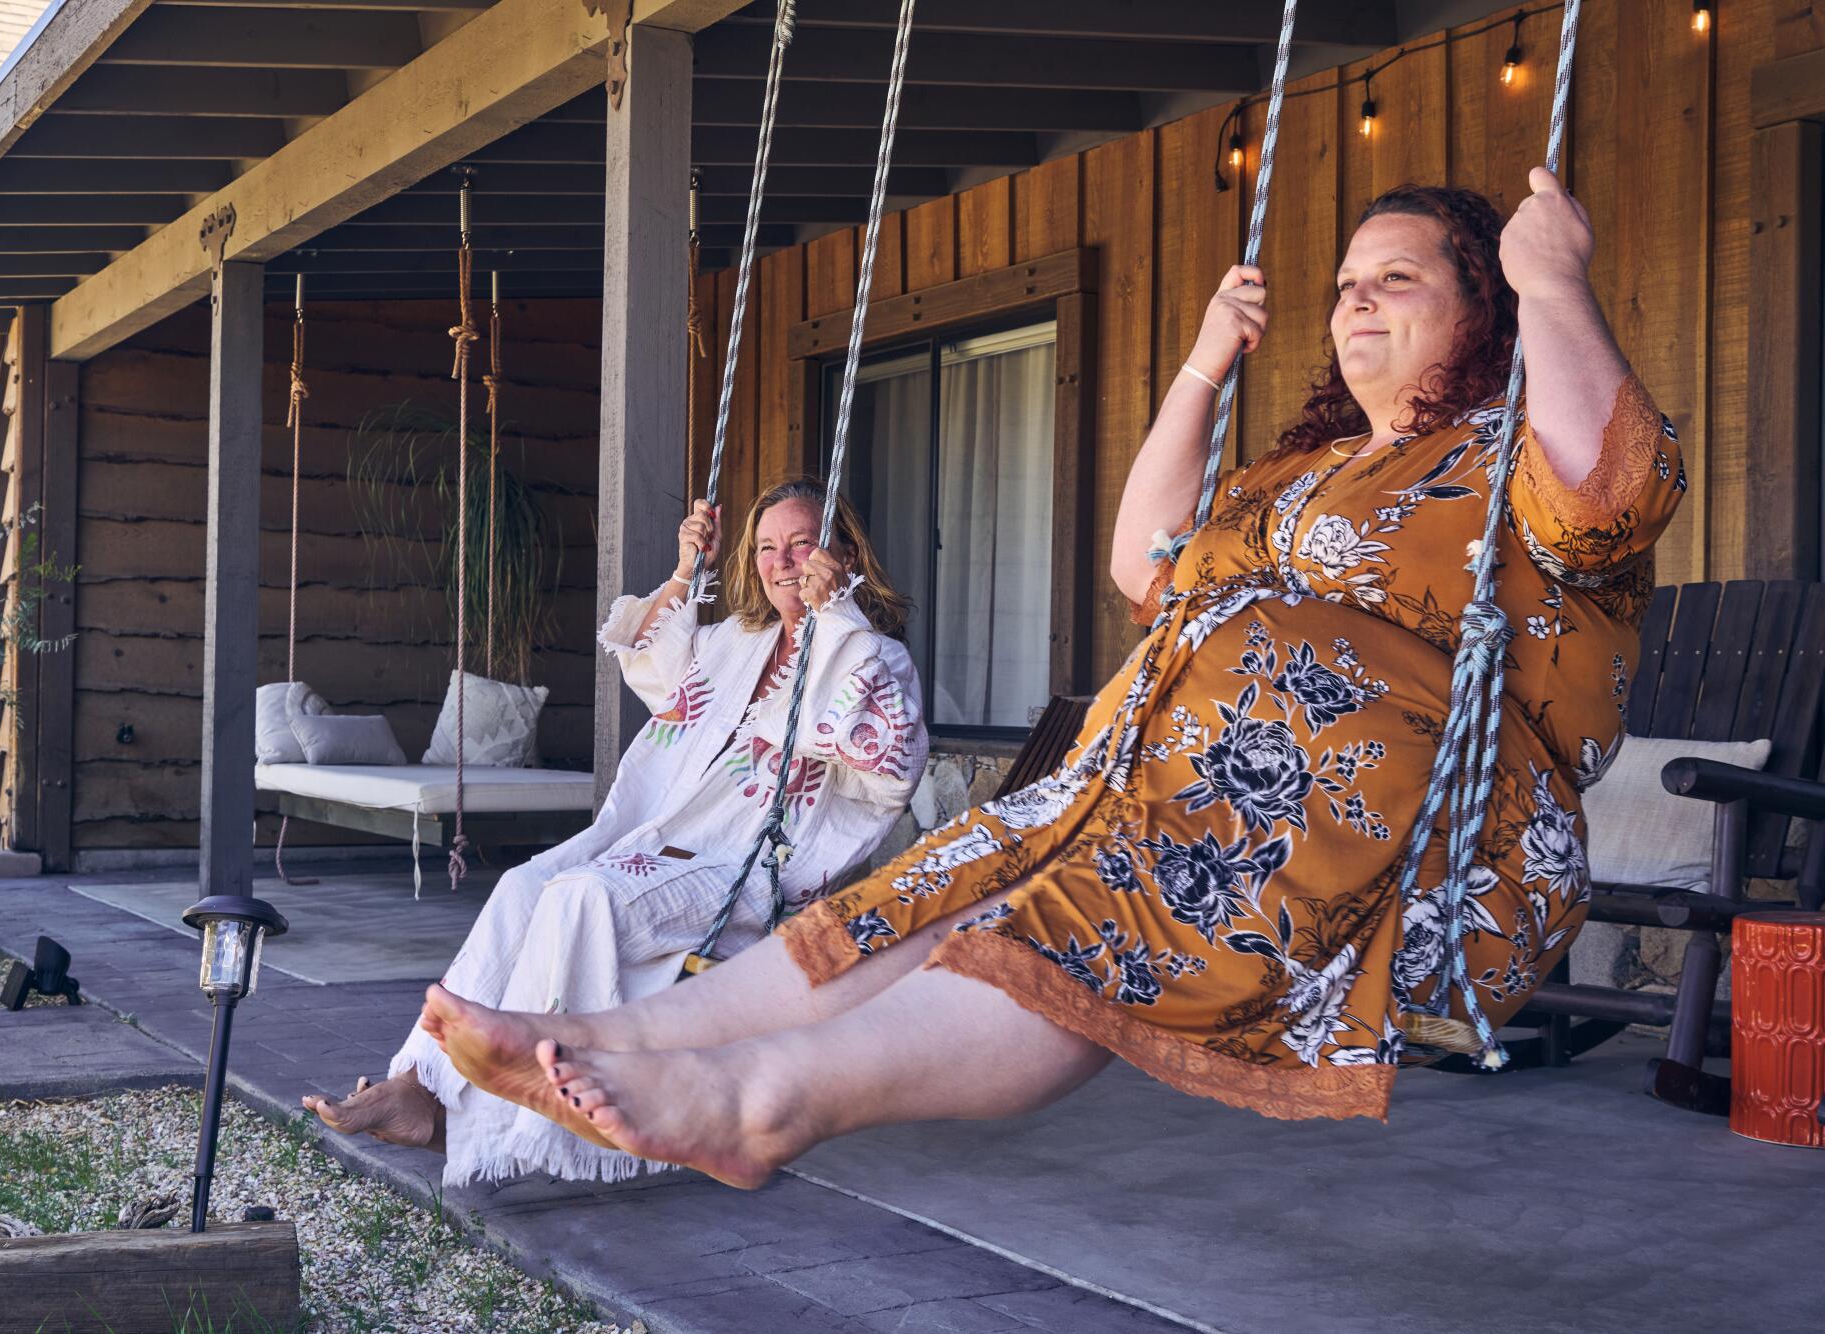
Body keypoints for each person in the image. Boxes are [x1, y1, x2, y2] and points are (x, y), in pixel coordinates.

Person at [411, 169, 1684, 1190]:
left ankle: (758, 1101)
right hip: (1155, 784)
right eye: (1344, 283)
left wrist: (1551, 279)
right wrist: (1197, 370)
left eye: (1394, 279)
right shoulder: (1297, 476)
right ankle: (613, 1036)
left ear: (1486, 309)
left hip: (1393, 827)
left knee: (1067, 919)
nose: (1353, 303)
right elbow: (1147, 558)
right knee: (938, 887)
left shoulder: (1510, 450)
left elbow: (1611, 491)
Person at [305, 478, 927, 1184]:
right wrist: (687, 571)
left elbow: (886, 771)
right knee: (523, 885)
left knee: (581, 899)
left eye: (803, 544)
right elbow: (652, 663)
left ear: (845, 553)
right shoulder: (737, 643)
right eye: (766, 547)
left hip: (744, 872)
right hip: (655, 845)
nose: (783, 562)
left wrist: (835, 612)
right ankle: (419, 1081)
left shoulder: (871, 654)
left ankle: (492, 1122)